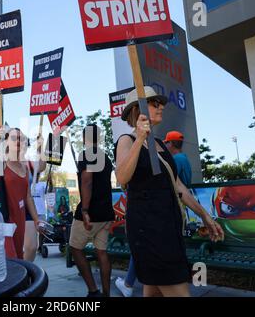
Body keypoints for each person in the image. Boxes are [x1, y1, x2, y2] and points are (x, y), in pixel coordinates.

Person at [115, 86, 224, 297]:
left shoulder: (159, 144)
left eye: (161, 103)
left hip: (169, 226)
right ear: (138, 110)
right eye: (155, 103)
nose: (161, 107)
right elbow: (122, 177)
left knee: (154, 291)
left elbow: (178, 186)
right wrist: (139, 138)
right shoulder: (126, 141)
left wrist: (205, 216)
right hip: (148, 230)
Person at [69, 124, 115, 297]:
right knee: (102, 253)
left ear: (84, 138)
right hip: (106, 213)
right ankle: (106, 294)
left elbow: (87, 181)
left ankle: (93, 291)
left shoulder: (87, 154)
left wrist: (85, 210)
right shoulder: (105, 157)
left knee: (75, 248)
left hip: (91, 213)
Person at [0, 125, 42, 260]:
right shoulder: (2, 162)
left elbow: (27, 197)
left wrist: (36, 220)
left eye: (21, 139)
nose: (18, 141)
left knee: (19, 256)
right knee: (9, 258)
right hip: (3, 218)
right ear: (7, 142)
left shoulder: (25, 168)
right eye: (14, 138)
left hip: (19, 218)